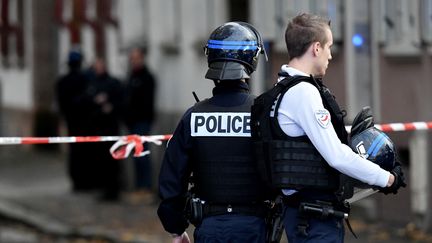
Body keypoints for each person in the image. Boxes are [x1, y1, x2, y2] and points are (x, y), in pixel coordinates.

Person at [250, 13, 406, 242]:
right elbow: (337, 156)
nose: (331, 55)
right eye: (329, 47)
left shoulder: (281, 89)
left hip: (302, 215)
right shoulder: (304, 93)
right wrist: (387, 179)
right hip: (315, 220)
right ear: (315, 48)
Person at [158, 22, 272, 243]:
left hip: (209, 228)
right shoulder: (264, 114)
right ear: (252, 60)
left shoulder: (193, 117)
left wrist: (175, 228)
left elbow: (171, 179)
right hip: (254, 227)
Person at [85, 57, 125, 200]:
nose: (99, 69)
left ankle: (113, 189)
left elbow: (121, 101)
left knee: (112, 160)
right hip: (97, 128)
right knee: (100, 160)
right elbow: (86, 102)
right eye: (97, 67)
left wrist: (111, 107)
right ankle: (103, 188)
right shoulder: (92, 84)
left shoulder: (113, 83)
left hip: (110, 128)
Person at [56, 48, 96, 192]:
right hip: (86, 122)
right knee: (86, 152)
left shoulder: (63, 81)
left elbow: (61, 104)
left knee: (75, 152)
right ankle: (85, 181)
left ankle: (77, 182)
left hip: (72, 122)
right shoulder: (85, 79)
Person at [125, 47, 156, 192]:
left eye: (136, 58)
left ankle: (146, 186)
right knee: (136, 156)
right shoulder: (131, 76)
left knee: (142, 155)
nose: (134, 61)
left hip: (142, 122)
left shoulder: (147, 77)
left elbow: (145, 102)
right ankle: (139, 187)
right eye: (132, 58)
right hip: (132, 122)